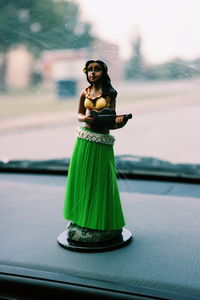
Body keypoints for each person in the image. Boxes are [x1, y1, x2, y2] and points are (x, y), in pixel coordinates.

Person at [63, 60, 129, 243]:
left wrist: (119, 122)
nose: (92, 73)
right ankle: (80, 218)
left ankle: (101, 222)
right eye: (90, 70)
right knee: (82, 178)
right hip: (84, 139)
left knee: (100, 180)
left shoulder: (110, 95)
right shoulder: (84, 92)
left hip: (101, 141)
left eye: (96, 69)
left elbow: (111, 119)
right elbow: (78, 114)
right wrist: (85, 118)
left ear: (104, 72)